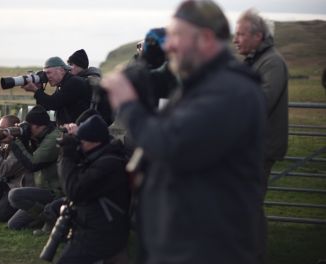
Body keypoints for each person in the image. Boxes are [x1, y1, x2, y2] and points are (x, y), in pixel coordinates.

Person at [101, 0, 266, 263]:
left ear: (206, 38)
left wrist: (129, 105)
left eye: (177, 35)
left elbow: (169, 144)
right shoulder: (201, 85)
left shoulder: (231, 91)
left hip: (209, 247)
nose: (168, 44)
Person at [233, 9, 289, 263]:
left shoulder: (272, 63)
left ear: (257, 36)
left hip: (260, 149)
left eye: (241, 34)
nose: (236, 40)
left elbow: (262, 102)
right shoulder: (255, 61)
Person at [54, 115, 130, 264]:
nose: (78, 144)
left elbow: (74, 190)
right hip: (97, 226)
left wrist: (68, 155)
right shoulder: (102, 155)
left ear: (94, 142)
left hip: (101, 232)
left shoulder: (109, 164)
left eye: (81, 141)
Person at [6, 105, 62, 230]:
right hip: (43, 190)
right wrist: (25, 139)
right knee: (13, 225)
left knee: (14, 195)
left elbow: (33, 164)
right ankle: (45, 217)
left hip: (56, 193)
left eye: (28, 126)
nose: (26, 129)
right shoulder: (39, 136)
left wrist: (16, 142)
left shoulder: (54, 138)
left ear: (37, 126)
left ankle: (51, 217)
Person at [21, 56, 91, 126]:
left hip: (81, 131)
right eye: (45, 74)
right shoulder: (62, 84)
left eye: (49, 73)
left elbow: (53, 104)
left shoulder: (74, 82)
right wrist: (39, 89)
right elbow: (45, 106)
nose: (47, 77)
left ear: (61, 70)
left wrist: (35, 90)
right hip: (71, 129)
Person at [67, 49, 114, 126]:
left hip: (88, 128)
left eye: (71, 64)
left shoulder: (87, 82)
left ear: (80, 65)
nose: (69, 68)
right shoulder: (88, 79)